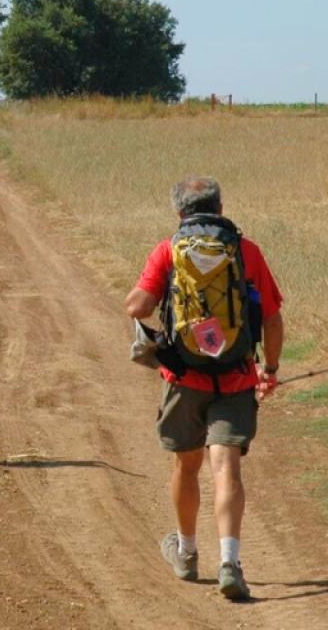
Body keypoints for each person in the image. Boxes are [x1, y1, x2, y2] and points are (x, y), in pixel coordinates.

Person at [125, 176, 283, 600]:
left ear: (180, 212)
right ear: (220, 205)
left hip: (184, 379)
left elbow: (137, 306)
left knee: (186, 466)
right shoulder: (245, 251)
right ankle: (230, 561)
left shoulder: (168, 251)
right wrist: (269, 368)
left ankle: (188, 551)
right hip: (236, 376)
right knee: (227, 467)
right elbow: (271, 318)